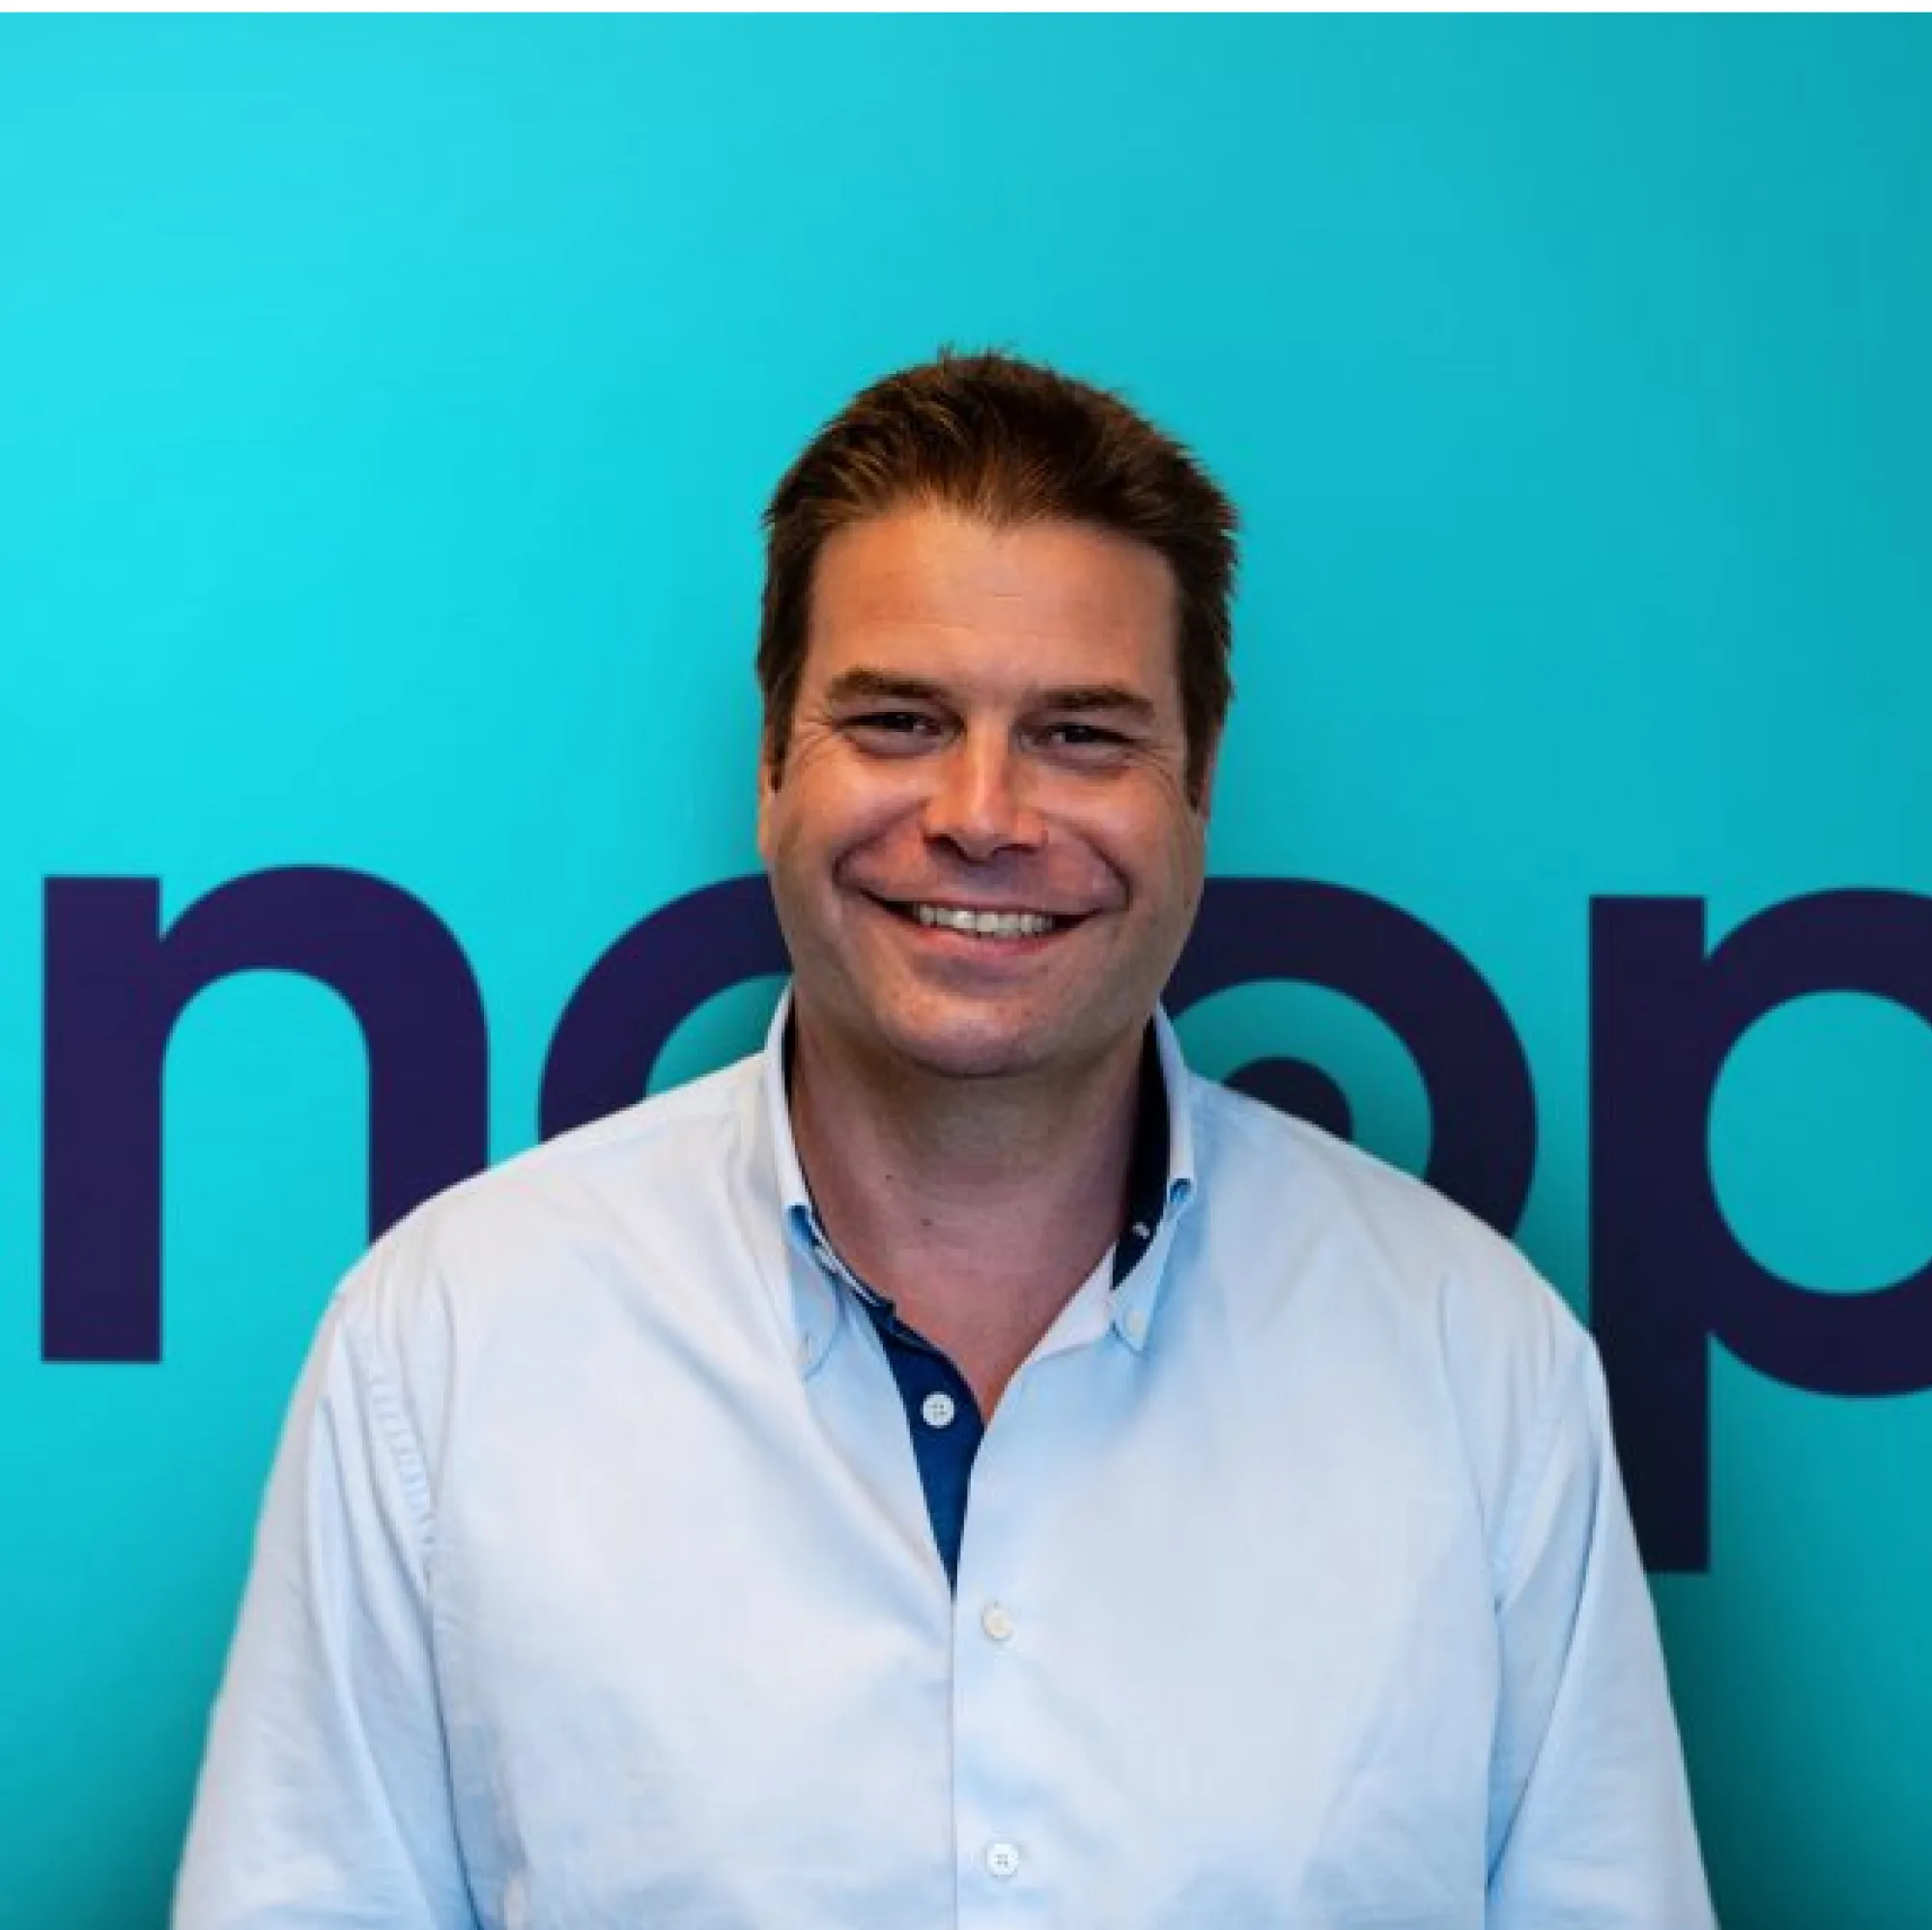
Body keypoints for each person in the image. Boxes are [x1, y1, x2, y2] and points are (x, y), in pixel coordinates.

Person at [175, 350, 1716, 1927]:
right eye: (901, 719)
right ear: (772, 761)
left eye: (1083, 734)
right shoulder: (447, 1342)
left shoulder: (1477, 1361)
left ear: (1200, 784)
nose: (984, 813)